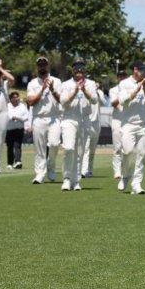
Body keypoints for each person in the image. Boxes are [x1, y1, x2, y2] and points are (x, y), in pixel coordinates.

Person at [117, 61, 145, 194]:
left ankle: (137, 184)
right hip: (128, 124)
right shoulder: (124, 84)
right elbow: (123, 101)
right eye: (143, 70)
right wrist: (137, 89)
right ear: (135, 70)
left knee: (141, 154)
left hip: (144, 125)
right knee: (127, 152)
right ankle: (125, 176)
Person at [58, 59, 98, 191]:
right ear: (73, 70)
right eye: (76, 67)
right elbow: (63, 102)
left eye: (82, 67)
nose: (79, 70)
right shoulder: (65, 84)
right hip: (69, 118)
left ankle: (76, 180)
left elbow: (94, 100)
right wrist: (76, 90)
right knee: (69, 148)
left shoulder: (91, 84)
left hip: (84, 119)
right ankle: (67, 178)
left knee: (80, 152)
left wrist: (84, 90)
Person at [26, 56, 62, 184]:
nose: (42, 67)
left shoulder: (57, 81)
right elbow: (30, 102)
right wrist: (42, 90)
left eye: (44, 65)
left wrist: (52, 90)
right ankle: (39, 174)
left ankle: (51, 166)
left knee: (54, 144)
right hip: (39, 118)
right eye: (40, 65)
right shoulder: (32, 83)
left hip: (54, 117)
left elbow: (61, 100)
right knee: (39, 148)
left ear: (48, 66)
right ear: (37, 67)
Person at [80, 77, 106, 179]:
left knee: (92, 149)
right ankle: (83, 170)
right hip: (87, 121)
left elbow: (104, 102)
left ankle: (89, 169)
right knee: (85, 146)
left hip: (96, 123)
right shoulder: (83, 91)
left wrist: (97, 93)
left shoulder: (99, 92)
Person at [108, 69, 128, 182]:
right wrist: (122, 95)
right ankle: (117, 171)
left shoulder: (130, 88)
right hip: (117, 120)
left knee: (126, 147)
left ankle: (124, 169)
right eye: (120, 76)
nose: (122, 78)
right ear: (118, 78)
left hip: (127, 120)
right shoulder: (113, 90)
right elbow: (114, 103)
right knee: (117, 147)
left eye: (124, 76)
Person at [6, 91, 29, 169]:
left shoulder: (22, 106)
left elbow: (26, 117)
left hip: (19, 129)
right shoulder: (7, 106)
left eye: (17, 97)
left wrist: (19, 118)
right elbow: (5, 115)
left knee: (18, 145)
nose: (16, 99)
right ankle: (9, 163)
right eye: (14, 97)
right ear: (11, 99)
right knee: (10, 146)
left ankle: (18, 161)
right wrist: (11, 117)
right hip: (9, 129)